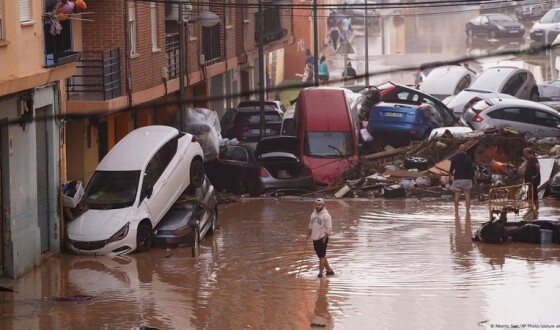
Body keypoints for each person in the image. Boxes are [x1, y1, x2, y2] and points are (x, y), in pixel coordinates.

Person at [307, 198, 334, 278]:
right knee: (321, 256)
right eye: (316, 204)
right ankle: (329, 271)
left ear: (323, 205)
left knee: (321, 257)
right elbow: (310, 225)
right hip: (314, 238)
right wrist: (308, 235)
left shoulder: (326, 215)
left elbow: (329, 228)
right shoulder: (313, 214)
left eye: (319, 205)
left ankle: (320, 274)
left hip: (322, 238)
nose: (317, 206)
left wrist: (324, 238)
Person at [449, 144, 475, 218]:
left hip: (457, 179)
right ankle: (467, 212)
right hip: (467, 179)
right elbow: (472, 170)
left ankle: (456, 212)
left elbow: (451, 170)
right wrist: (475, 180)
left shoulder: (454, 158)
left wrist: (449, 179)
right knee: (467, 195)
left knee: (457, 194)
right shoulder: (468, 158)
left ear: (458, 150)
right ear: (465, 151)